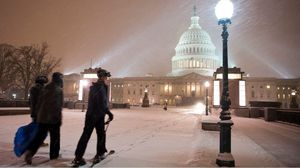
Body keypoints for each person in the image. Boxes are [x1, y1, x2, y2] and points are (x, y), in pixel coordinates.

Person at [72, 68, 114, 167]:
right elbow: (102, 103)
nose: (106, 78)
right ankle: (100, 153)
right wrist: (109, 113)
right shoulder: (101, 87)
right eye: (106, 76)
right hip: (98, 115)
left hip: (90, 115)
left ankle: (78, 156)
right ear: (103, 77)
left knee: (85, 135)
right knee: (101, 135)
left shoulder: (94, 87)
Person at [24, 72, 64, 164]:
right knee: (55, 137)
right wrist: (58, 118)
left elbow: (38, 103)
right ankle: (54, 155)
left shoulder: (45, 88)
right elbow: (57, 106)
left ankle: (30, 152)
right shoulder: (58, 90)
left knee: (39, 137)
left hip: (42, 117)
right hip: (53, 118)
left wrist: (38, 115)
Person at [29, 75, 49, 147]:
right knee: (40, 128)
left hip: (35, 112)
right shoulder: (41, 89)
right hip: (40, 112)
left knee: (36, 127)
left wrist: (32, 112)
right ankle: (38, 142)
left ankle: (35, 141)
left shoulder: (33, 89)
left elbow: (31, 102)